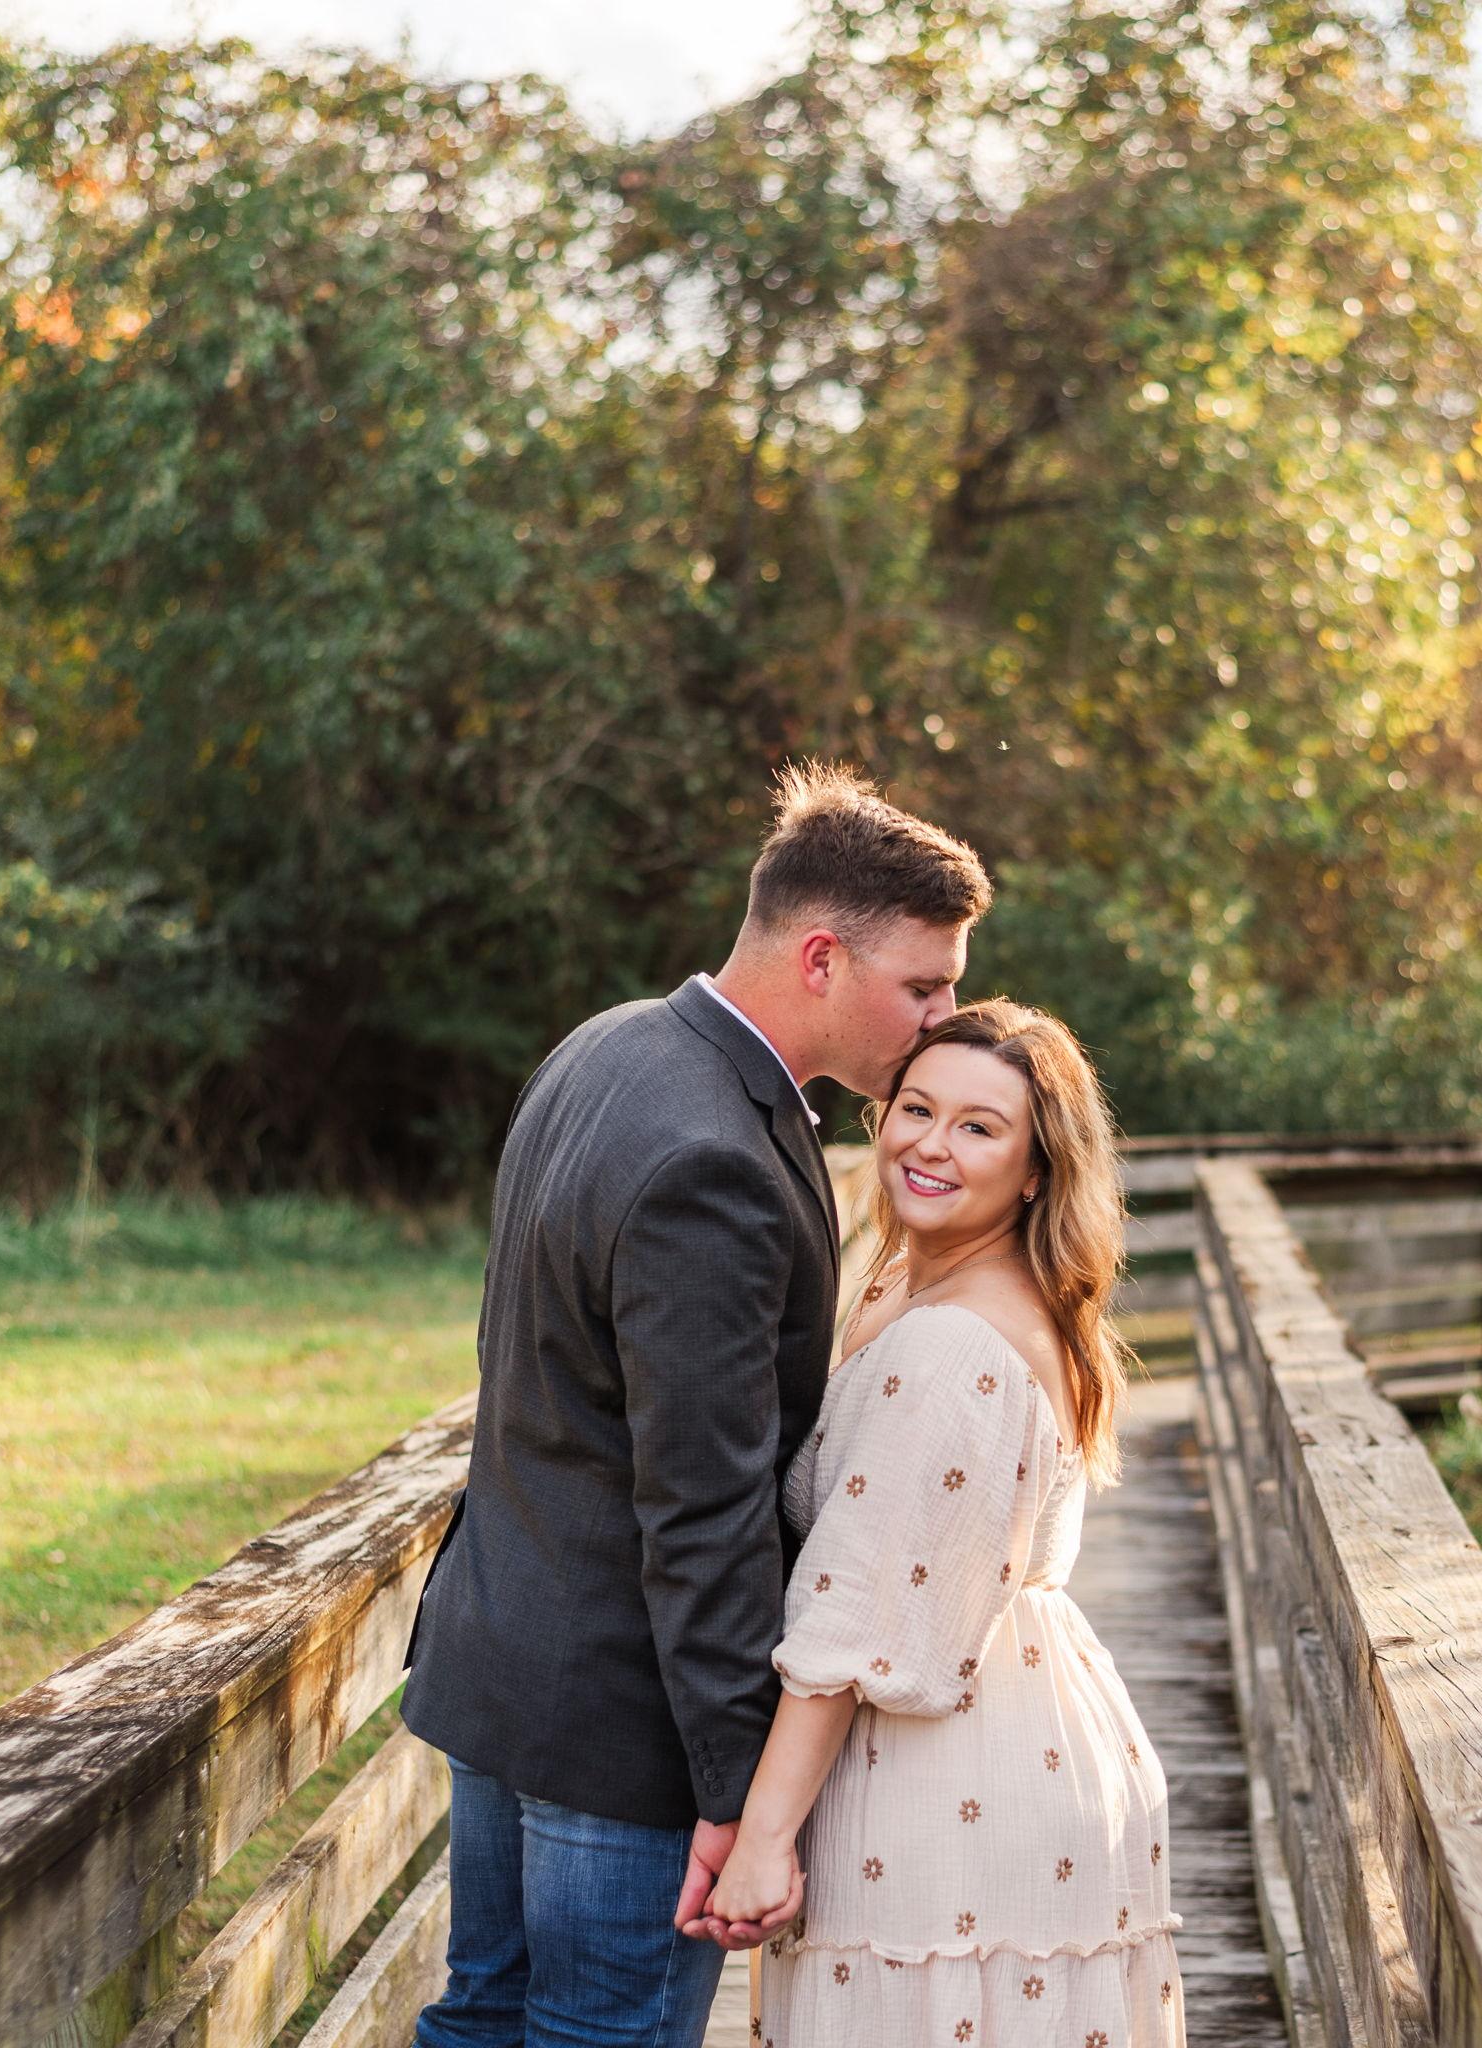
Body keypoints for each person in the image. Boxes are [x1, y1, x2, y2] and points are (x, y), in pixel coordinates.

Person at [401, 761, 991, 2048]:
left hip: (501, 1657)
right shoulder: (713, 1160)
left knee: (481, 2015)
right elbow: (703, 1505)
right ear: (823, 957)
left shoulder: (611, 1042)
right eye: (925, 986)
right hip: (618, 1722)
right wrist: (737, 1791)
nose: (944, 1018)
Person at [685, 1001, 1187, 2047]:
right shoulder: (914, 1279)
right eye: (917, 1108)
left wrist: (762, 1836)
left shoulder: (955, 1343)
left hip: (953, 1777)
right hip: (1017, 1724)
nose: (930, 1144)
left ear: (1037, 1168)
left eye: (979, 1127)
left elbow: (852, 1613)